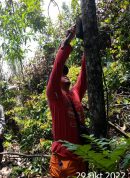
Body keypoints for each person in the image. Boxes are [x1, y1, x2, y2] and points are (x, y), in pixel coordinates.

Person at [46, 26, 88, 177]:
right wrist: (68, 40)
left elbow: (85, 74)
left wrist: (87, 46)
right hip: (61, 159)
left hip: (79, 160)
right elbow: (56, 68)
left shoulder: (75, 93)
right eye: (62, 73)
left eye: (66, 72)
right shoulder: (54, 94)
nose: (65, 74)